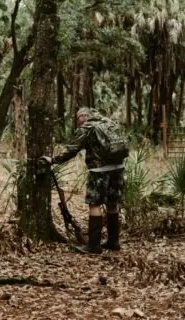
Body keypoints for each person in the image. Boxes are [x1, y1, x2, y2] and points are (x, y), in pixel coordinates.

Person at [42, 107, 128, 254]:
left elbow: (72, 149)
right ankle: (113, 242)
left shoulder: (87, 127)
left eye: (78, 118)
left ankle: (93, 245)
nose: (77, 121)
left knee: (94, 204)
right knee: (112, 203)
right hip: (118, 168)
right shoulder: (109, 122)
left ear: (84, 116)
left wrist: (54, 160)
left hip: (99, 170)